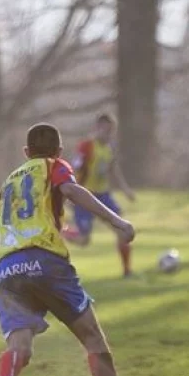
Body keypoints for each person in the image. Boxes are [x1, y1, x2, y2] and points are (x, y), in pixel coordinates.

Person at [0, 122, 147, 376]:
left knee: (20, 344)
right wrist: (116, 221)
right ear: (59, 152)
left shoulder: (7, 185)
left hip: (6, 268)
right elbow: (71, 190)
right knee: (93, 339)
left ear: (25, 153)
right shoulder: (54, 167)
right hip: (47, 263)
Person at [61, 113, 137, 277]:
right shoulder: (86, 146)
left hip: (103, 196)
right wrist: (70, 194)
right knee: (83, 240)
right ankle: (62, 230)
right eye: (104, 129)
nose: (107, 133)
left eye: (110, 130)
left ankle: (127, 271)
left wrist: (125, 190)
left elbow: (113, 169)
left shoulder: (110, 148)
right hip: (84, 196)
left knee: (122, 229)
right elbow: (75, 170)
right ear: (96, 128)